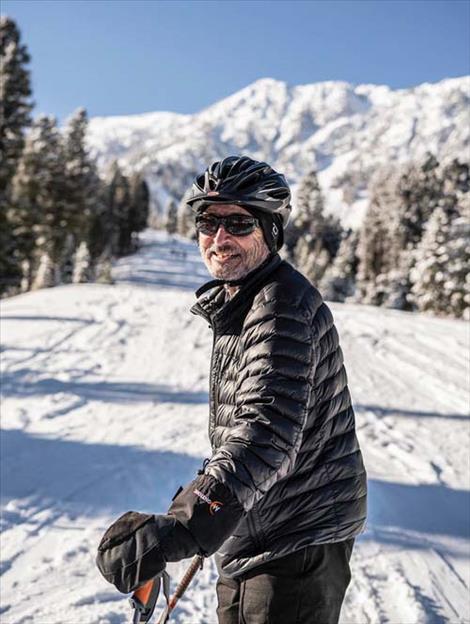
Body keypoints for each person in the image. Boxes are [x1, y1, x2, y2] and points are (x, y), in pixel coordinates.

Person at [96, 156, 367, 624]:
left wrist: (186, 524)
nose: (219, 238)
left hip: (293, 542)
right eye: (208, 221)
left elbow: (266, 431)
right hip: (266, 528)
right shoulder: (245, 298)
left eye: (238, 223)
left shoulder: (280, 308)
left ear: (271, 232)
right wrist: (208, 505)